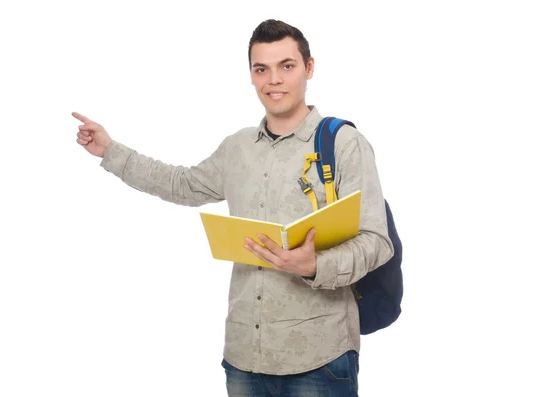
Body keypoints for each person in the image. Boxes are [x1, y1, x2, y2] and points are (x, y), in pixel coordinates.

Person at [73, 19, 393, 397]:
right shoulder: (238, 148)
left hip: (320, 359)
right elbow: (181, 183)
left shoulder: (345, 144)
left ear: (308, 69)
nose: (273, 80)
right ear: (252, 76)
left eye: (286, 66)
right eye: (262, 69)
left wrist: (313, 265)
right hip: (244, 360)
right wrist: (110, 151)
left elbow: (376, 242)